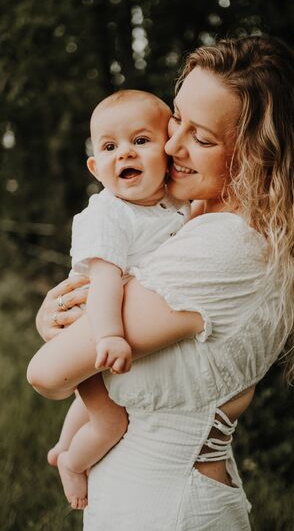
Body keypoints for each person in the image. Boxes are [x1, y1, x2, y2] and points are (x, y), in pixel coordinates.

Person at [27, 36, 294, 530]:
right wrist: (65, 310)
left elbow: (48, 372)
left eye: (202, 137)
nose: (171, 145)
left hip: (168, 510)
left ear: (258, 156)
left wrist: (62, 327)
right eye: (178, 118)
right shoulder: (188, 221)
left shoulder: (225, 247)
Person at [37, 89, 190, 510]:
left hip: (108, 329)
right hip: (90, 327)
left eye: (140, 141)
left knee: (91, 406)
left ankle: (63, 444)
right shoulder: (107, 214)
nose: (125, 154)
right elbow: (104, 281)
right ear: (95, 167)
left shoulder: (177, 204)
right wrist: (109, 336)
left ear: (169, 150)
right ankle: (71, 461)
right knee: (109, 421)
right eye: (110, 147)